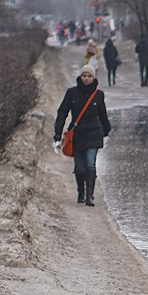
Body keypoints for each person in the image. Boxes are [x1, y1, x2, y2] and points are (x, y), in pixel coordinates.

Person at [53, 64, 111, 206]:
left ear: (93, 77)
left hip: (93, 133)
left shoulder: (98, 95)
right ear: (80, 76)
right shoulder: (72, 93)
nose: (86, 78)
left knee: (90, 165)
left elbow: (103, 114)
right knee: (79, 168)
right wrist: (57, 134)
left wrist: (106, 131)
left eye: (89, 76)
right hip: (77, 135)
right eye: (84, 75)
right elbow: (62, 113)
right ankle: (81, 191)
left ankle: (89, 196)